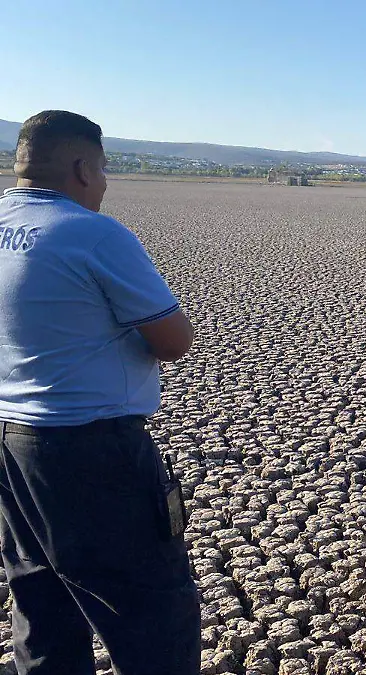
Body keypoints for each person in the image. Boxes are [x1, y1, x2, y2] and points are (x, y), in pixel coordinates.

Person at [0, 111, 199, 674]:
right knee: (152, 611)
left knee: (41, 602)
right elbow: (173, 339)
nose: (106, 183)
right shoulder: (92, 233)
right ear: (83, 167)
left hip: (12, 445)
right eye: (104, 170)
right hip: (92, 450)